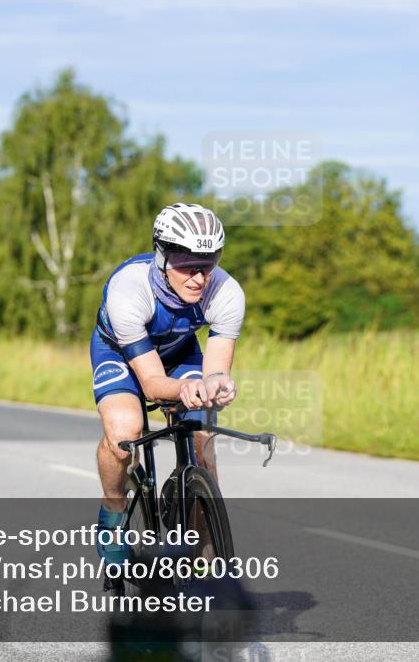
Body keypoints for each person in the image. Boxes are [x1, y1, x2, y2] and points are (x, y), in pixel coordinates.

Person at [92, 203, 245, 565]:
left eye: (208, 265)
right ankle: (113, 512)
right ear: (162, 257)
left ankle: (205, 552)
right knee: (123, 437)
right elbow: (150, 383)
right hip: (122, 355)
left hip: (178, 352)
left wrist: (218, 384)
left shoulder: (227, 292)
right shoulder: (129, 290)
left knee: (203, 439)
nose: (199, 279)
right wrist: (182, 390)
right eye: (188, 267)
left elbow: (216, 367)